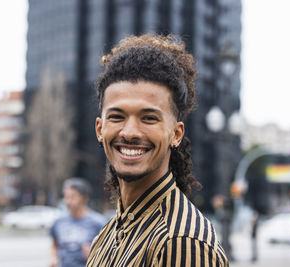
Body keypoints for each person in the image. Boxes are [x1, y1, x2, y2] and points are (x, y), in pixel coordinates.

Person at [87, 34, 228, 266]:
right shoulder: (106, 235)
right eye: (117, 116)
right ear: (100, 129)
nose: (130, 132)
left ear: (176, 134)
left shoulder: (181, 241)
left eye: (149, 118)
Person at [50, 178, 106, 267]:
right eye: (66, 197)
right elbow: (54, 244)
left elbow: (109, 252)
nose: (68, 201)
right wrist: (53, 258)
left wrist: (95, 255)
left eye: (72, 197)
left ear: (84, 198)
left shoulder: (99, 222)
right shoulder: (59, 221)